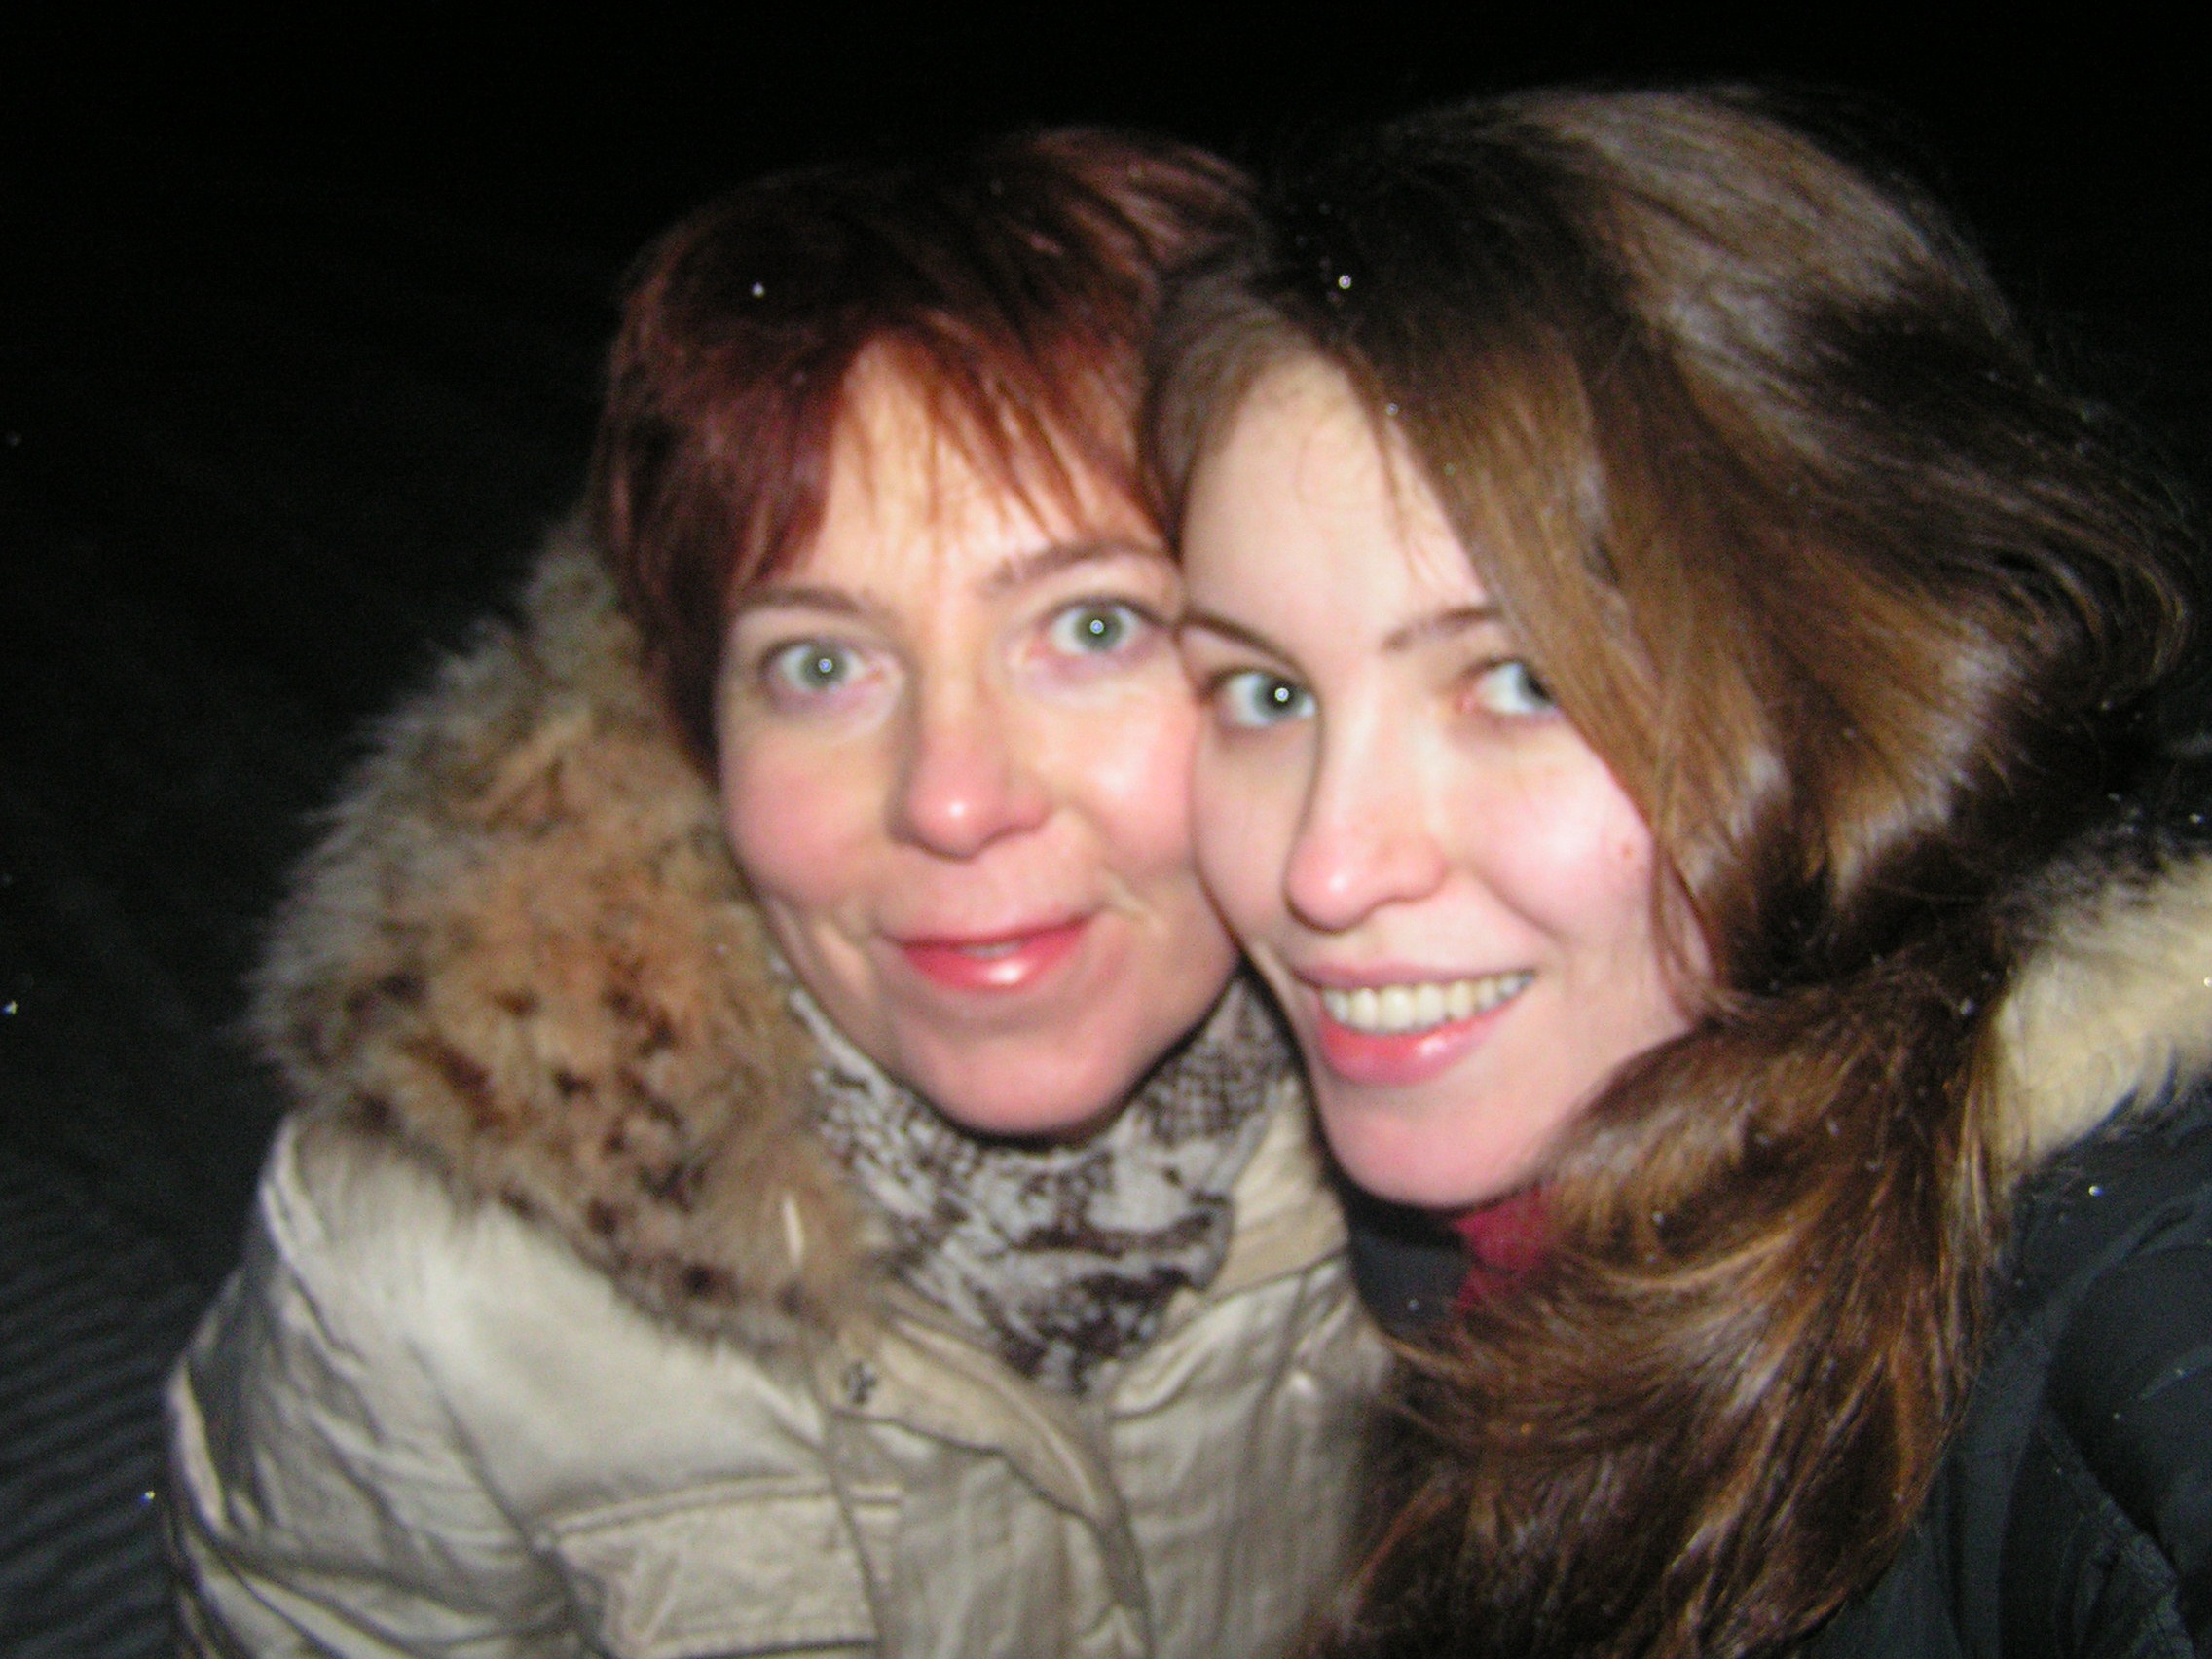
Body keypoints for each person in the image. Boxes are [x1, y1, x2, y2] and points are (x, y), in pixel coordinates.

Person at [166, 130, 1386, 1658]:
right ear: (698, 730)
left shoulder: (1462, 1140)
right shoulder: (434, 1285)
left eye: (1092, 627)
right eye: (821, 664)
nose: (950, 798)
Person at [1151, 89, 2212, 1657]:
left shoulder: (2119, 1345)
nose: (1326, 866)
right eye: (1265, 692)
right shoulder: (1506, 1250)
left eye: (1523, 681)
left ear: (1862, 680)